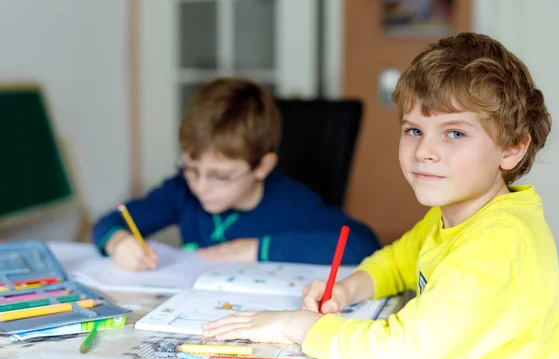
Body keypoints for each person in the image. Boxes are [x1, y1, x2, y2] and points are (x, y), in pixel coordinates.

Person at [201, 33, 559, 359]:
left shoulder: (494, 248)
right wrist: (348, 289)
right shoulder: (463, 214)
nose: (424, 151)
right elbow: (399, 260)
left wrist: (297, 325)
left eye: (455, 133)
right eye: (414, 130)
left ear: (512, 148)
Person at [92, 78, 380, 271]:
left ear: (262, 167)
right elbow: (109, 221)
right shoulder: (181, 192)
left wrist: (260, 248)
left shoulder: (290, 202)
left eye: (220, 176)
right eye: (191, 168)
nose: (201, 186)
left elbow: (362, 244)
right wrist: (119, 242)